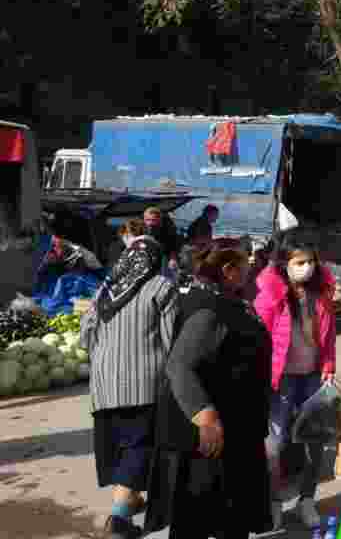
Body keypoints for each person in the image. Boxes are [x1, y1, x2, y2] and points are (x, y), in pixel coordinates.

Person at [144, 245, 274, 539]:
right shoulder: (209, 310)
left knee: (228, 518)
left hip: (236, 430)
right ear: (228, 271)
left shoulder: (228, 301)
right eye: (246, 266)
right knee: (197, 519)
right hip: (212, 438)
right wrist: (205, 416)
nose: (251, 271)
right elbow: (179, 366)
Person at [80, 228, 179, 539]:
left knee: (120, 446)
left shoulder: (105, 291)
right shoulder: (161, 286)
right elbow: (171, 339)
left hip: (104, 384)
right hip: (143, 384)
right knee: (139, 446)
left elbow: (86, 336)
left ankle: (131, 497)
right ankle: (119, 522)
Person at [253, 230, 338, 529]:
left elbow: (328, 337)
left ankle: (307, 500)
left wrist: (329, 364)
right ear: (284, 263)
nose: (307, 267)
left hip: (313, 377)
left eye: (311, 261)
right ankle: (274, 502)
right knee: (273, 446)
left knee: (315, 442)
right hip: (281, 381)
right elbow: (258, 340)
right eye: (299, 262)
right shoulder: (270, 297)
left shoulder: (322, 294)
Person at [144, 207, 180, 274]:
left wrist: (173, 258)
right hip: (152, 248)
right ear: (144, 219)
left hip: (165, 248)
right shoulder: (143, 226)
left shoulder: (169, 229)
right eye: (148, 220)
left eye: (153, 220)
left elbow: (173, 243)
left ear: (159, 220)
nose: (150, 223)